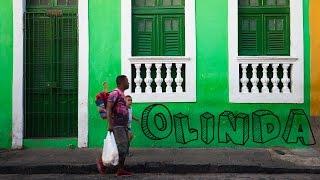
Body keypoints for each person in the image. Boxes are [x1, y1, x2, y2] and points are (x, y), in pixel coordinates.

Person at [97, 75, 132, 176]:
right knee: (122, 146)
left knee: (124, 146)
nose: (128, 83)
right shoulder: (114, 93)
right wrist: (110, 124)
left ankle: (120, 169)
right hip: (117, 125)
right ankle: (102, 163)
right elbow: (108, 108)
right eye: (127, 81)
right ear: (122, 82)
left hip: (123, 124)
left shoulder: (122, 94)